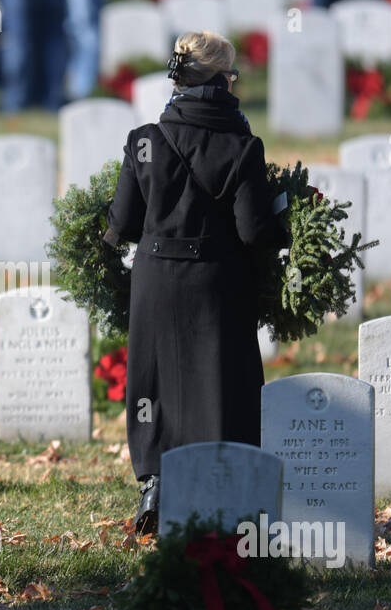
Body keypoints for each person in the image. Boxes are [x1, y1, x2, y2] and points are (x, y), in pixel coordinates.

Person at [104, 32, 288, 535]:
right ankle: (224, 489)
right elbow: (255, 233)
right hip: (217, 282)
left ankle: (155, 484)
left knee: (156, 381)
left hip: (156, 281)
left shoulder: (144, 139)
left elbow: (121, 224)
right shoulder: (242, 145)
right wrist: (285, 218)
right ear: (222, 81)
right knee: (222, 380)